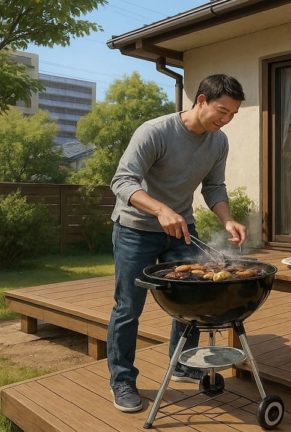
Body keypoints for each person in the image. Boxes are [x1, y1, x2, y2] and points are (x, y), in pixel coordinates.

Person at [107, 74, 248, 413]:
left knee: (195, 294)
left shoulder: (218, 142)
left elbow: (214, 187)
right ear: (200, 100)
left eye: (231, 115)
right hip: (135, 229)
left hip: (181, 228)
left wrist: (227, 219)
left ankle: (182, 362)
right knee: (128, 308)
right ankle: (122, 380)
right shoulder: (155, 131)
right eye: (221, 110)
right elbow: (122, 181)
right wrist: (160, 210)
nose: (225, 119)